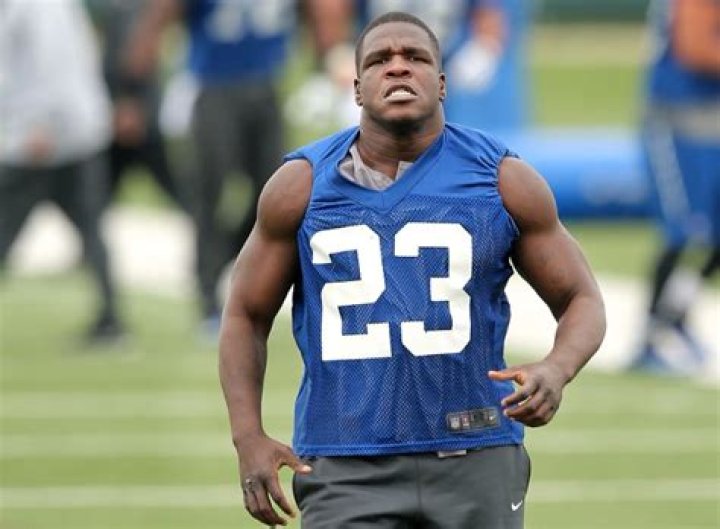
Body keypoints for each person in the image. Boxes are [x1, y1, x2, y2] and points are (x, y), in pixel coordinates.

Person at [219, 12, 606, 528]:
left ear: (441, 83)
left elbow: (582, 298)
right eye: (380, 60)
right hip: (345, 465)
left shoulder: (500, 179)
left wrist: (557, 368)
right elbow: (245, 313)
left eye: (415, 57)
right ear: (357, 89)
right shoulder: (301, 186)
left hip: (476, 452)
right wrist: (247, 436)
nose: (398, 67)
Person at [125, 0, 306, 334]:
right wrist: (132, 92)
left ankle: (221, 259)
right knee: (211, 192)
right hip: (214, 87)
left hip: (267, 85)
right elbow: (158, 20)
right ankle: (207, 295)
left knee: (277, 192)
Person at [0, 0, 125, 344]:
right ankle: (110, 318)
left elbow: (50, 64)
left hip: (47, 137)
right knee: (90, 229)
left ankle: (110, 319)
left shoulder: (35, 7)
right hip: (76, 131)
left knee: (6, 226)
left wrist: (41, 123)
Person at [630, 0, 720, 375]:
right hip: (677, 125)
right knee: (688, 230)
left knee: (714, 235)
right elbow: (695, 47)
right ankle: (652, 336)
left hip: (709, 124)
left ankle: (674, 318)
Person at [298, 0, 530, 132]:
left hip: (444, 64)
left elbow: (490, 11)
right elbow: (331, 8)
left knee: (457, 151)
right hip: (382, 62)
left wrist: (485, 48)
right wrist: (338, 56)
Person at [88, 0, 187, 211]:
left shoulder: (135, 9)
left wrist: (129, 100)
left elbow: (139, 59)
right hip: (116, 108)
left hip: (135, 111)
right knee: (96, 195)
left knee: (176, 187)